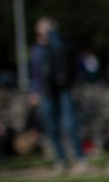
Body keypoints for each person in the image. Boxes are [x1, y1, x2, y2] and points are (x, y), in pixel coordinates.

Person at [29, 17, 86, 171]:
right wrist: (34, 91)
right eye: (40, 30)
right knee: (51, 127)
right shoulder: (36, 51)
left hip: (64, 90)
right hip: (46, 92)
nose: (43, 33)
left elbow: (76, 66)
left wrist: (75, 86)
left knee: (69, 125)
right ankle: (60, 159)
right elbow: (35, 74)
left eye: (47, 29)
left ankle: (79, 158)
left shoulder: (62, 47)